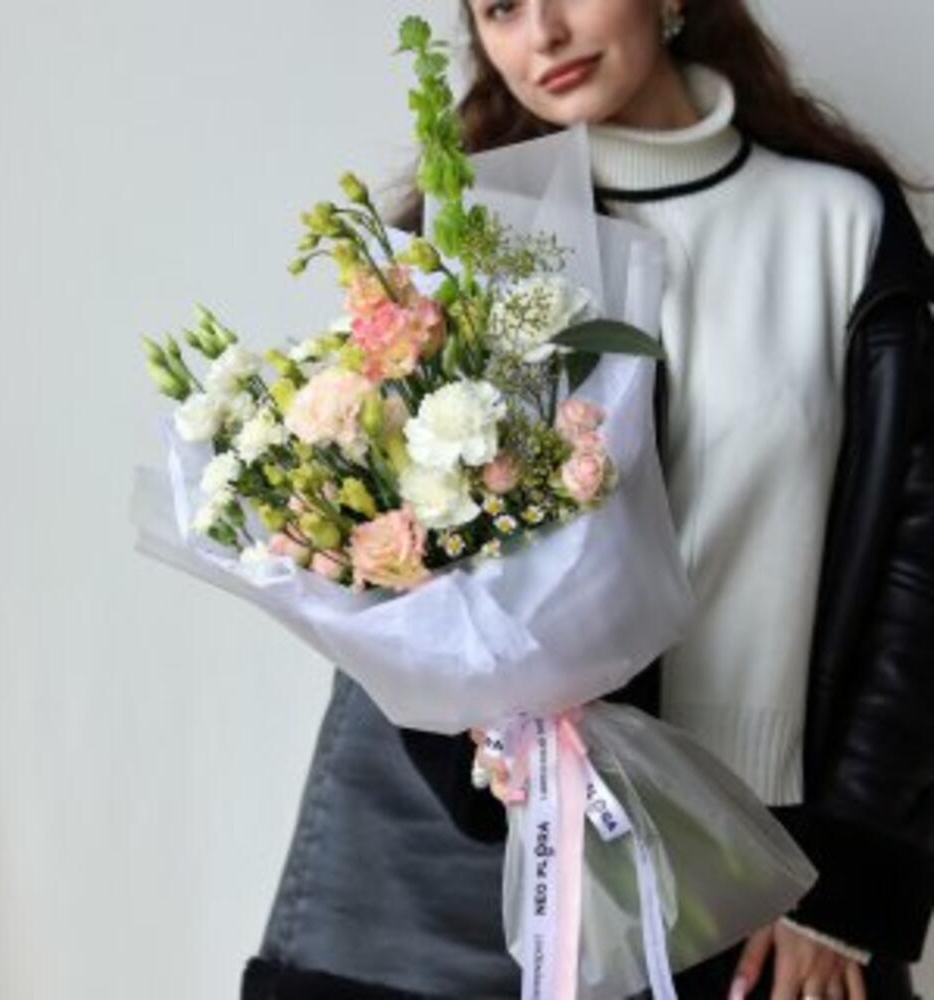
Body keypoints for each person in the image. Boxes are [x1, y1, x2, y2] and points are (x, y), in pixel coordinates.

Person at [242, 2, 934, 998]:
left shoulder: (838, 221)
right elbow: (406, 579)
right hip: (530, 867)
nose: (544, 33)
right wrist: (482, 742)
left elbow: (917, 567)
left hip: (776, 880)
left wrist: (841, 890)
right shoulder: (479, 242)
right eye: (501, 8)